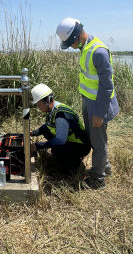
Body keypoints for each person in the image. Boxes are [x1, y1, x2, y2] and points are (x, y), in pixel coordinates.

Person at [56, 17, 119, 189]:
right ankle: (104, 168)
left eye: (70, 43)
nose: (70, 47)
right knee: (93, 138)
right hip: (89, 102)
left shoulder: (98, 52)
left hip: (98, 105)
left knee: (98, 142)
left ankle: (98, 179)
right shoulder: (85, 48)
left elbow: (107, 87)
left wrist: (99, 113)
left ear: (77, 36)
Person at [29, 83, 90, 174]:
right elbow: (47, 126)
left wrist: (37, 146)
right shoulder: (54, 109)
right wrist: (33, 133)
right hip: (71, 141)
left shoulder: (61, 116)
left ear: (47, 101)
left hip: (80, 146)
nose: (38, 107)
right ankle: (64, 156)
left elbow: (61, 140)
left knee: (57, 151)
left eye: (39, 104)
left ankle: (72, 166)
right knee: (48, 133)